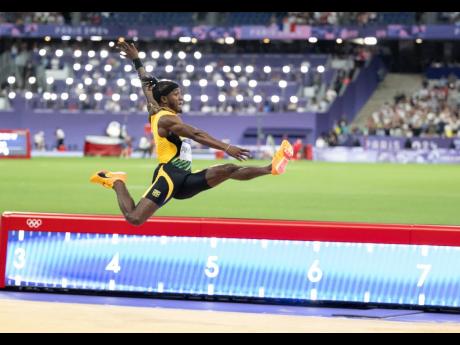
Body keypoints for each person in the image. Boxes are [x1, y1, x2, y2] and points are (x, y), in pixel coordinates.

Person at [90, 39, 293, 226]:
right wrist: (226, 147)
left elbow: (146, 87)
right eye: (176, 94)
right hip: (168, 175)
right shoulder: (166, 119)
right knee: (134, 218)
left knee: (229, 170)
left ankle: (271, 168)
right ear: (164, 100)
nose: (181, 98)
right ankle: (116, 180)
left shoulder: (157, 108)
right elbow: (196, 134)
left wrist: (137, 61)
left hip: (184, 177)